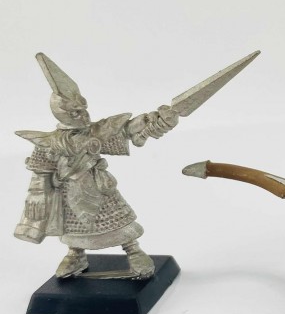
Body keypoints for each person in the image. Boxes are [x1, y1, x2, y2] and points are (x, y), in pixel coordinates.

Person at [15, 53, 178, 278]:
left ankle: (134, 252)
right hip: (69, 191)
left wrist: (152, 122)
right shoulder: (49, 143)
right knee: (73, 225)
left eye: (83, 110)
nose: (83, 116)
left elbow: (124, 131)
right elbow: (40, 173)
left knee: (117, 218)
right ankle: (75, 255)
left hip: (99, 187)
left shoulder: (94, 132)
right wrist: (38, 201)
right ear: (63, 114)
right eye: (76, 112)